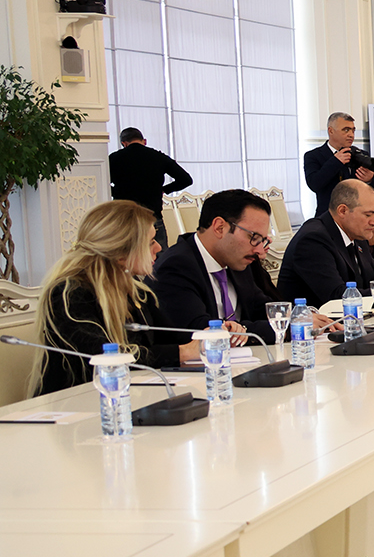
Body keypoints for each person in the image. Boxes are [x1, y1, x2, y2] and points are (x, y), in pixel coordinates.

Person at [31, 201, 202, 395]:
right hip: (76, 401)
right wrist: (182, 352)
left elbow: (172, 338)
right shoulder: (68, 294)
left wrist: (207, 337)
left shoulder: (135, 290)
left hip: (127, 396)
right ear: (121, 255)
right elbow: (107, 357)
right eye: (150, 242)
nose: (158, 247)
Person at [148, 189, 278, 342]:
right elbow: (203, 331)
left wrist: (295, 319)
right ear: (219, 227)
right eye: (253, 237)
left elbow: (263, 309)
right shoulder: (175, 267)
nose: (259, 250)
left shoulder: (236, 258)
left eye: (262, 240)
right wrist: (274, 328)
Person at [277, 181, 374, 305]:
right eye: (368, 214)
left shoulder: (357, 235)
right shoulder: (313, 240)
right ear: (343, 211)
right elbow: (337, 296)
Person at [107, 127, 192, 246]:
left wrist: (117, 192)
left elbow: (104, 183)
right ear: (144, 141)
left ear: (124, 144)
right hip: (152, 217)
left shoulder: (114, 158)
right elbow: (186, 180)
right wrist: (163, 190)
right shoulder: (158, 157)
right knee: (158, 254)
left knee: (126, 255)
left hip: (125, 218)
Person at [303, 112, 374, 218]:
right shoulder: (314, 155)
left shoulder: (361, 155)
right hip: (327, 217)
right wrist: (335, 162)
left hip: (358, 218)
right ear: (331, 131)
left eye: (353, 130)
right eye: (346, 130)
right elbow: (314, 184)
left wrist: (371, 179)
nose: (351, 134)